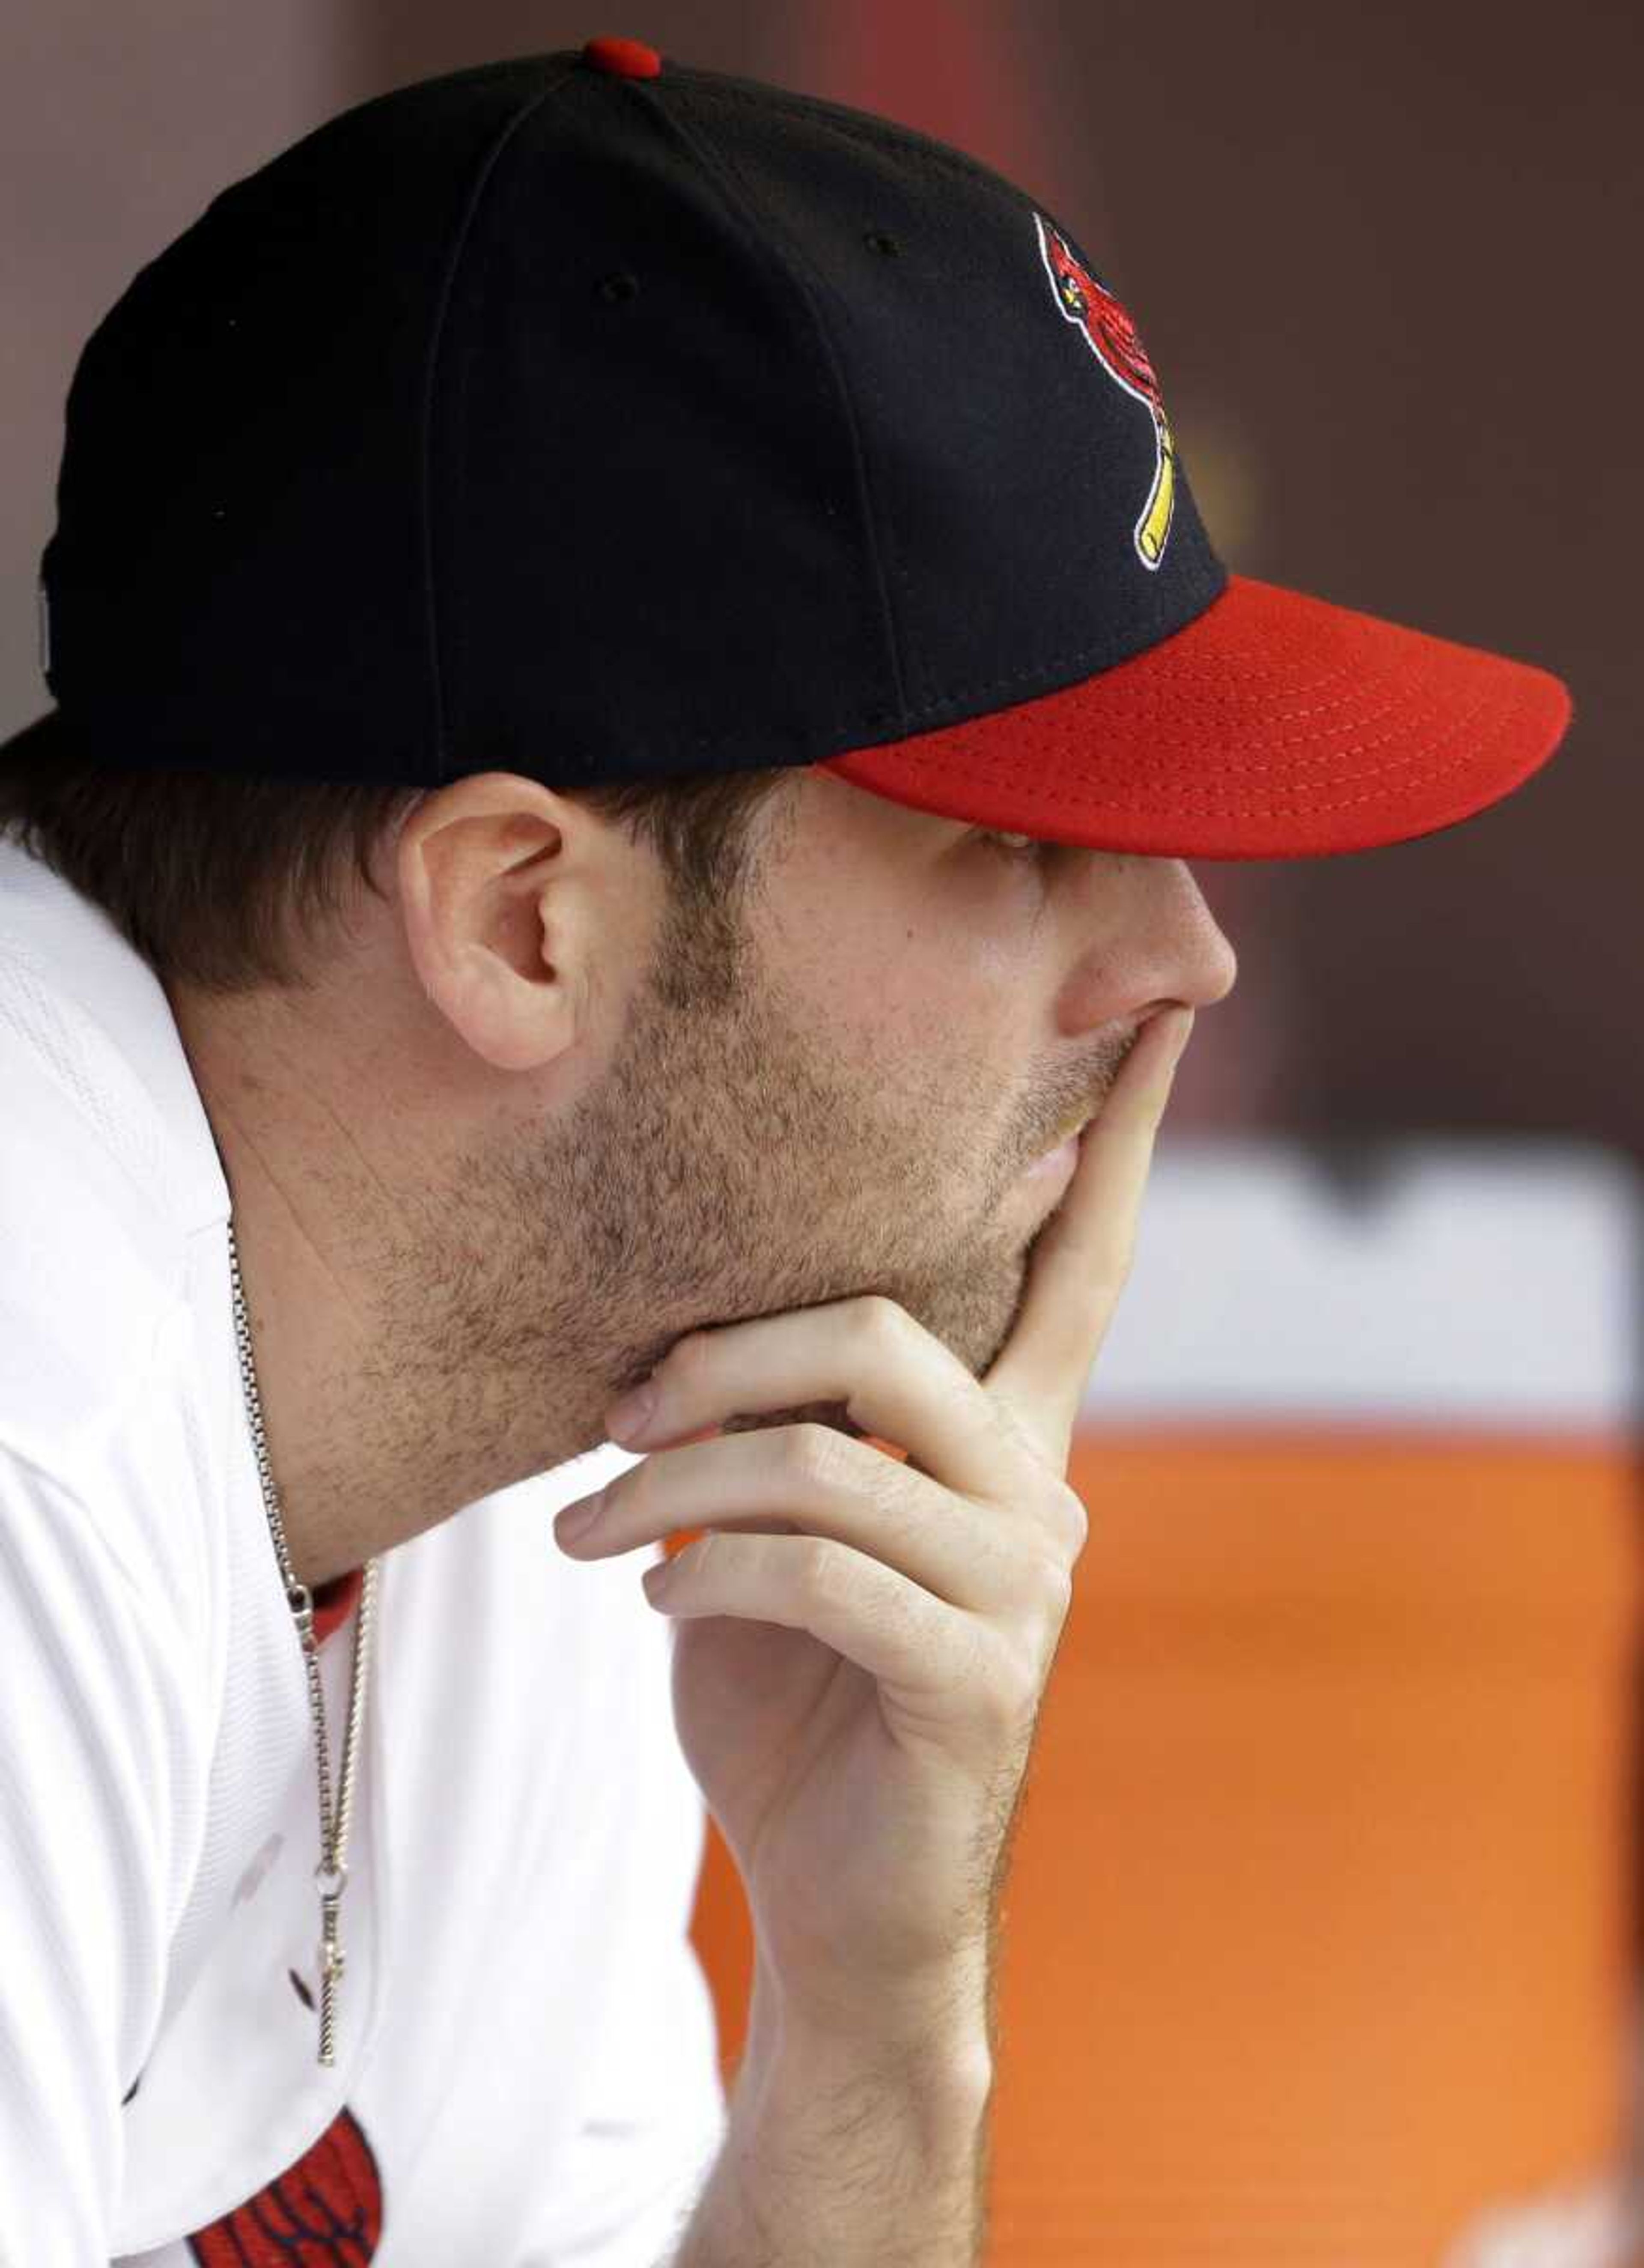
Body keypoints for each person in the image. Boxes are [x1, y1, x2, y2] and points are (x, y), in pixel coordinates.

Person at [0, 36, 1571, 2267]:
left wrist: (881, 1993)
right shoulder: (37, 1412)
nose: (1184, 955)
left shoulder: (522, 1387)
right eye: (1023, 839)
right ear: (525, 918)